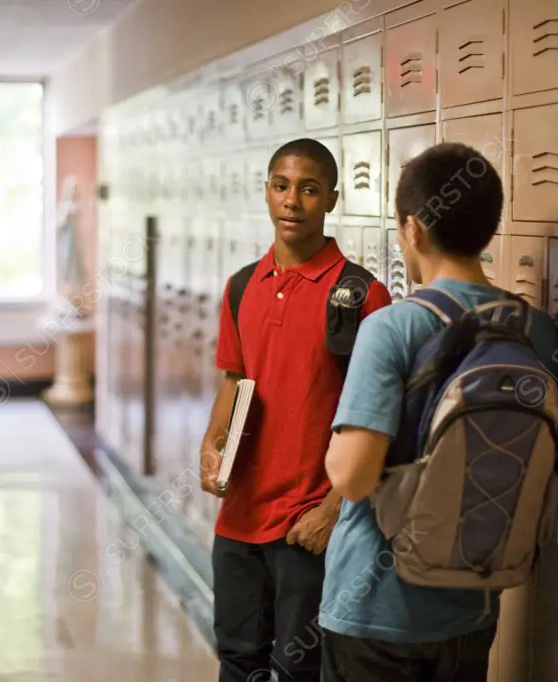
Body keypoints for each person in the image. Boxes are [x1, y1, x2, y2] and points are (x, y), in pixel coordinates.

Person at [318, 142, 558, 681]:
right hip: (470, 610)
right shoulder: (533, 328)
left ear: (412, 229)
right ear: (489, 228)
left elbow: (354, 477)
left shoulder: (392, 326)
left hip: (374, 609)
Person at [198, 138, 391, 682]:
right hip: (239, 519)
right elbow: (235, 379)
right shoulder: (241, 287)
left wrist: (332, 509)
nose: (292, 201)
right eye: (281, 187)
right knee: (237, 659)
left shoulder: (362, 295)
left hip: (306, 522)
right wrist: (212, 445)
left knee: (300, 666)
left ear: (331, 198)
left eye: (308, 189)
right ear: (265, 192)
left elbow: (382, 417)